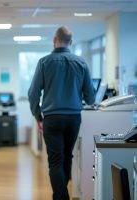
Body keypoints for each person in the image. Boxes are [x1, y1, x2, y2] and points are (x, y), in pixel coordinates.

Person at [28, 26, 96, 200]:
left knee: (56, 160)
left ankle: (60, 196)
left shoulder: (44, 62)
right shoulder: (81, 62)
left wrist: (38, 116)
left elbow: (33, 93)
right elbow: (90, 98)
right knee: (67, 157)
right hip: (74, 119)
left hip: (52, 118)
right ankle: (61, 195)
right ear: (70, 42)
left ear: (54, 40)